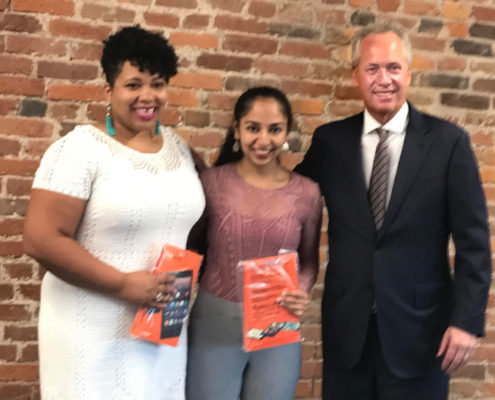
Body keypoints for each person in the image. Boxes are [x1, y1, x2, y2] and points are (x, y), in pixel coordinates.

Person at [295, 22, 491, 400]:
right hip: (347, 332)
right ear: (355, 76)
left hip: (421, 334)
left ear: (409, 73)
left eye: (393, 68)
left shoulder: (449, 144)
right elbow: (286, 200)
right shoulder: (330, 142)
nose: (383, 79)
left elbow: (474, 244)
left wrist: (466, 322)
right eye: (372, 69)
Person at [23, 26, 204, 400]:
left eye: (158, 84)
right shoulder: (79, 150)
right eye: (133, 84)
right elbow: (40, 239)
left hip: (160, 326)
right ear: (109, 90)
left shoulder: (180, 150)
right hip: (90, 327)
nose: (147, 96)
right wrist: (124, 284)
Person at [186, 87, 322, 400]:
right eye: (252, 128)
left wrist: (301, 290)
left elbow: (310, 262)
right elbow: (191, 251)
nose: (263, 140)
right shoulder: (211, 183)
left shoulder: (307, 193)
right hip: (214, 324)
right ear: (236, 130)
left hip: (277, 326)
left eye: (274, 129)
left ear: (287, 131)